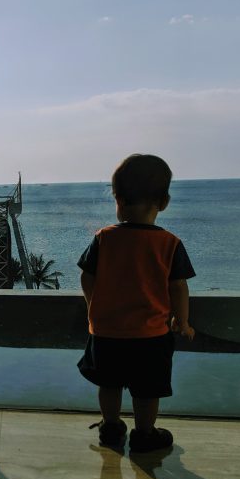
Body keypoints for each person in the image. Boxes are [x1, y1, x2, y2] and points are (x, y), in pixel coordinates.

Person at [77, 154, 195, 452]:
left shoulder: (104, 238)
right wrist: (182, 321)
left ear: (118, 200)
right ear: (164, 202)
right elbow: (178, 287)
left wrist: (94, 307)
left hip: (106, 333)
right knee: (146, 390)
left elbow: (87, 277)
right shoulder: (169, 243)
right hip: (151, 335)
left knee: (110, 384)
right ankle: (145, 433)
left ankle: (111, 427)